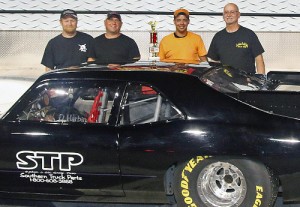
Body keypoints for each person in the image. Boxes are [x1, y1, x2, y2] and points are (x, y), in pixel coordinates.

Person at [207, 3, 265, 74]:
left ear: (238, 15)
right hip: (226, 82)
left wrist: (261, 81)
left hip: (247, 82)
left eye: (232, 12)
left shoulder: (249, 34)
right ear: (223, 16)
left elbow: (259, 60)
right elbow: (214, 61)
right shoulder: (218, 36)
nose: (229, 15)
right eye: (226, 12)